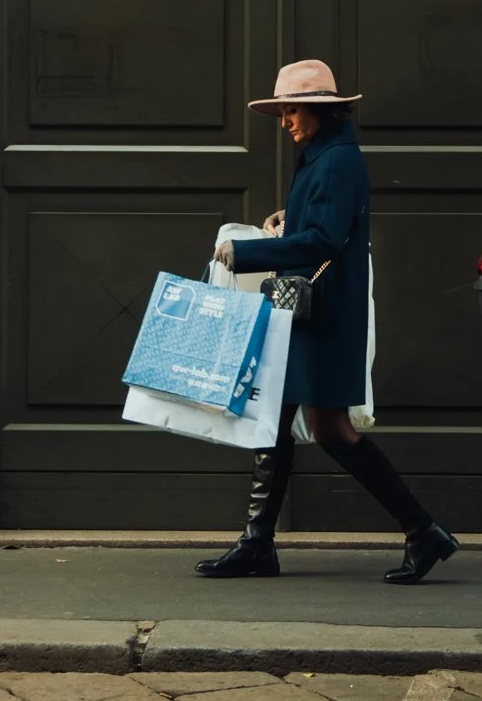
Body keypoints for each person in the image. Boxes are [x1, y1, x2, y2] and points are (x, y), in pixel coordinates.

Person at [196, 59, 459, 585]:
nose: (284, 121)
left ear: (318, 110)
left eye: (291, 111)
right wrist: (284, 221)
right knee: (278, 422)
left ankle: (422, 531)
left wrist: (246, 253)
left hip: (325, 314)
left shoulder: (337, 160)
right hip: (310, 310)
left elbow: (325, 240)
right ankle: (258, 544)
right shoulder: (325, 154)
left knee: (330, 430)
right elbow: (319, 224)